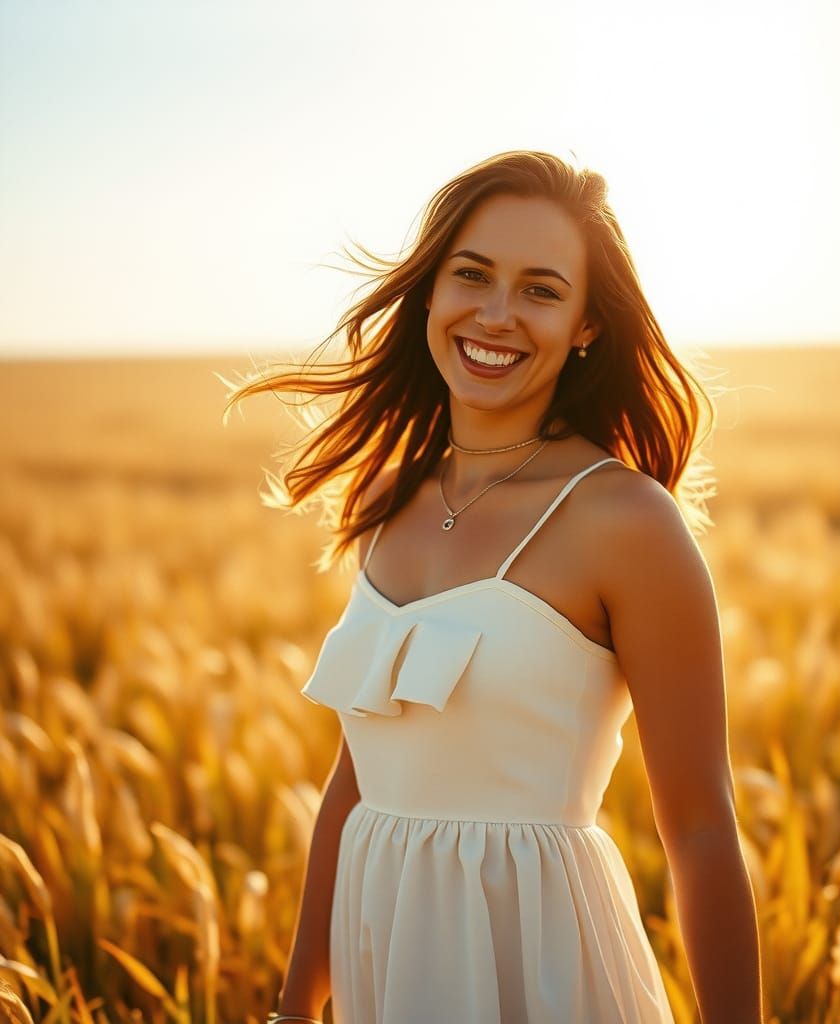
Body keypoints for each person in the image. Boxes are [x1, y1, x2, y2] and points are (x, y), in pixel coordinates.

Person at [227, 150, 763, 1023]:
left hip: (544, 968)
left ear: (587, 325)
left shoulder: (626, 522)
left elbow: (701, 829)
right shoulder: (384, 499)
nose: (496, 314)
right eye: (471, 275)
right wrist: (295, 1008)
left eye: (542, 290)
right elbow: (355, 781)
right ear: (431, 294)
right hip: (385, 966)